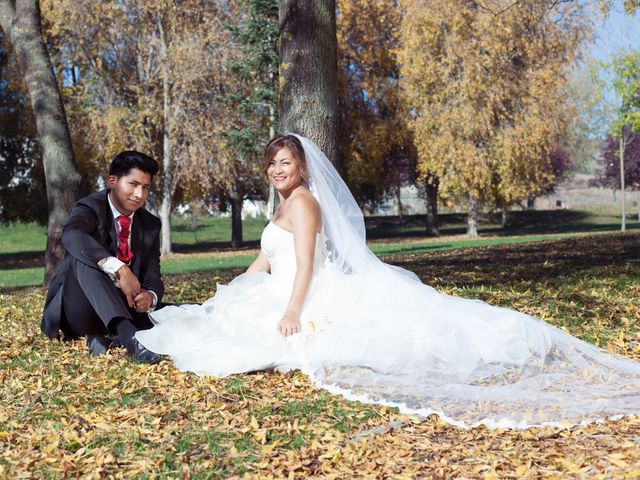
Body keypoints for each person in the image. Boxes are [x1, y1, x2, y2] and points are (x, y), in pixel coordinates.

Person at [136, 134, 640, 428]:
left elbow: (306, 265)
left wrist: (292, 311)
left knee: (262, 344)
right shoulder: (282, 203)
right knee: (219, 322)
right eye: (271, 163)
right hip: (277, 285)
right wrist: (231, 291)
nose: (275, 170)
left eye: (284, 163)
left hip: (309, 292)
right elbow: (266, 259)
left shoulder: (306, 202)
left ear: (302, 166)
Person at [42, 151, 164, 363]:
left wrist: (150, 297)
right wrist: (119, 268)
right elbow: (72, 235)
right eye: (133, 184)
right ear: (112, 181)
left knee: (183, 313)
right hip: (79, 311)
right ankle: (130, 339)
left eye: (145, 187)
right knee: (81, 257)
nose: (139, 194)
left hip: (125, 309)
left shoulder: (150, 224)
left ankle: (105, 340)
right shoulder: (91, 207)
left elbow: (153, 275)